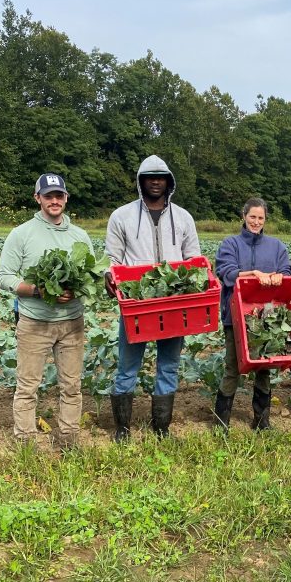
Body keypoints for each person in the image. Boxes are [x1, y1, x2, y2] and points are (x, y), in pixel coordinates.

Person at [104, 155, 200, 440]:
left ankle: (161, 429)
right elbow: (112, 258)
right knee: (128, 366)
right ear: (141, 181)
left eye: (161, 177)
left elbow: (193, 258)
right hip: (138, 303)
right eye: (150, 177)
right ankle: (122, 428)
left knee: (168, 365)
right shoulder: (121, 216)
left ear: (169, 182)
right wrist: (110, 275)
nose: (155, 181)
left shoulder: (182, 217)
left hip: (173, 303)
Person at [0, 173, 92, 449]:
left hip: (72, 322)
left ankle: (68, 440)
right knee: (28, 387)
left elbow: (87, 277)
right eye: (48, 195)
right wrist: (40, 290)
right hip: (35, 322)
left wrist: (77, 289)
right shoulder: (22, 233)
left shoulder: (80, 235)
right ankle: (25, 443)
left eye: (58, 195)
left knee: (72, 386)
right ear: (37, 198)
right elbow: (4, 276)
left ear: (66, 198)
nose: (54, 200)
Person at [214, 198, 291, 430]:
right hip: (236, 315)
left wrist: (280, 276)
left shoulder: (276, 246)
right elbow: (225, 272)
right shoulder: (230, 244)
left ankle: (261, 421)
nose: (256, 222)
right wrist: (252, 273)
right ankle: (221, 423)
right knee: (232, 367)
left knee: (264, 367)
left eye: (261, 218)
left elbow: (286, 271)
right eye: (252, 217)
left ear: (265, 220)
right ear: (244, 216)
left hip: (267, 316)